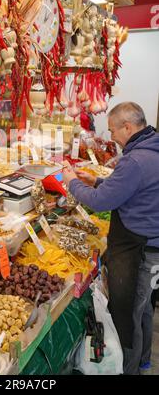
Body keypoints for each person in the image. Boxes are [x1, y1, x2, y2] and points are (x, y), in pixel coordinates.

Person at [62, 102, 159, 375]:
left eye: (114, 130)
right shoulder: (151, 147)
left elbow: (101, 203)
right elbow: (131, 190)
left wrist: (71, 181)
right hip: (151, 247)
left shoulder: (136, 160)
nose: (112, 136)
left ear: (128, 127)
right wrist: (94, 181)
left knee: (126, 318)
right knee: (142, 310)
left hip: (138, 251)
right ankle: (143, 361)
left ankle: (128, 369)